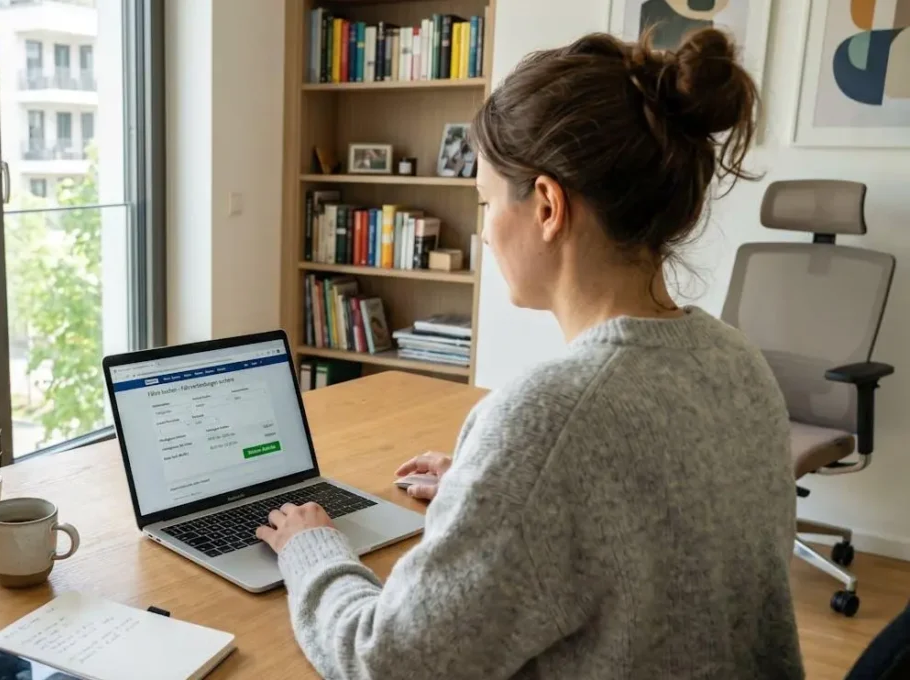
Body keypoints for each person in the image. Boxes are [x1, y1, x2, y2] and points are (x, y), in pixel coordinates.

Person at [255, 28, 804, 679]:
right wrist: (490, 487)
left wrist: (312, 549)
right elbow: (648, 514)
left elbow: (391, 662)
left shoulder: (548, 420)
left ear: (546, 205)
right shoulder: (737, 361)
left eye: (485, 201)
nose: (482, 230)